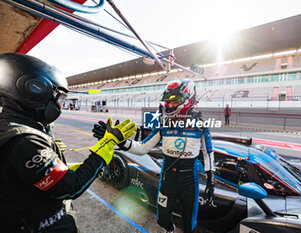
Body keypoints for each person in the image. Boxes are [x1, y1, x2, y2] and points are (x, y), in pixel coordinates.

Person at [0, 53, 137, 233]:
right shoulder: (24, 140)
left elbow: (29, 176)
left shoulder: (12, 126)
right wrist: (107, 144)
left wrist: (68, 165)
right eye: (59, 98)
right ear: (35, 90)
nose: (60, 105)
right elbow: (71, 187)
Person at [93, 79, 215, 233]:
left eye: (174, 101)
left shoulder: (201, 124)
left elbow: (208, 153)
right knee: (162, 219)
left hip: (190, 180)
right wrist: (120, 141)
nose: (169, 106)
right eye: (167, 102)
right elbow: (142, 147)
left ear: (188, 100)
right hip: (168, 177)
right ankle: (169, 230)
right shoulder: (162, 123)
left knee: (190, 225)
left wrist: (211, 180)